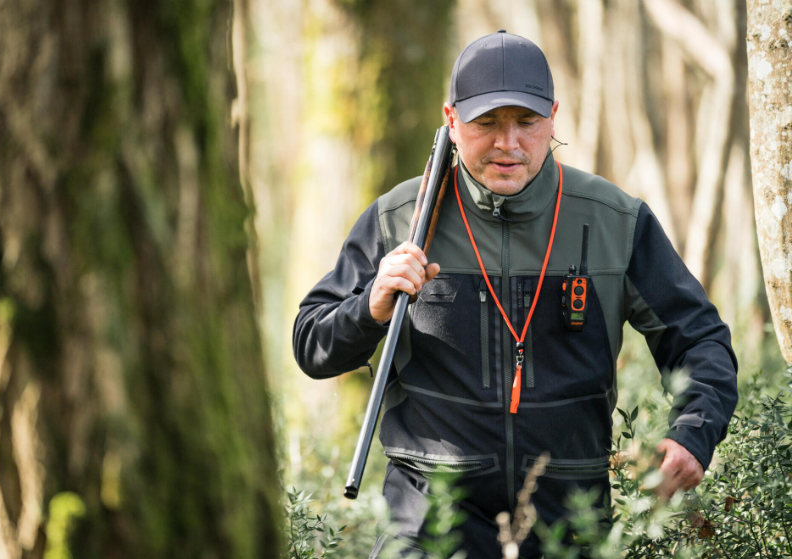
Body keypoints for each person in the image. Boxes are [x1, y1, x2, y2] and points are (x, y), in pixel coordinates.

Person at [293, 31, 738, 558]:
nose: (509, 143)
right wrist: (370, 308)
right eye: (487, 123)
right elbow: (311, 344)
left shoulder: (616, 220)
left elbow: (701, 341)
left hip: (570, 524)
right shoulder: (399, 219)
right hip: (428, 525)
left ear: (552, 117)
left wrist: (693, 433)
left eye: (527, 123)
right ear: (452, 121)